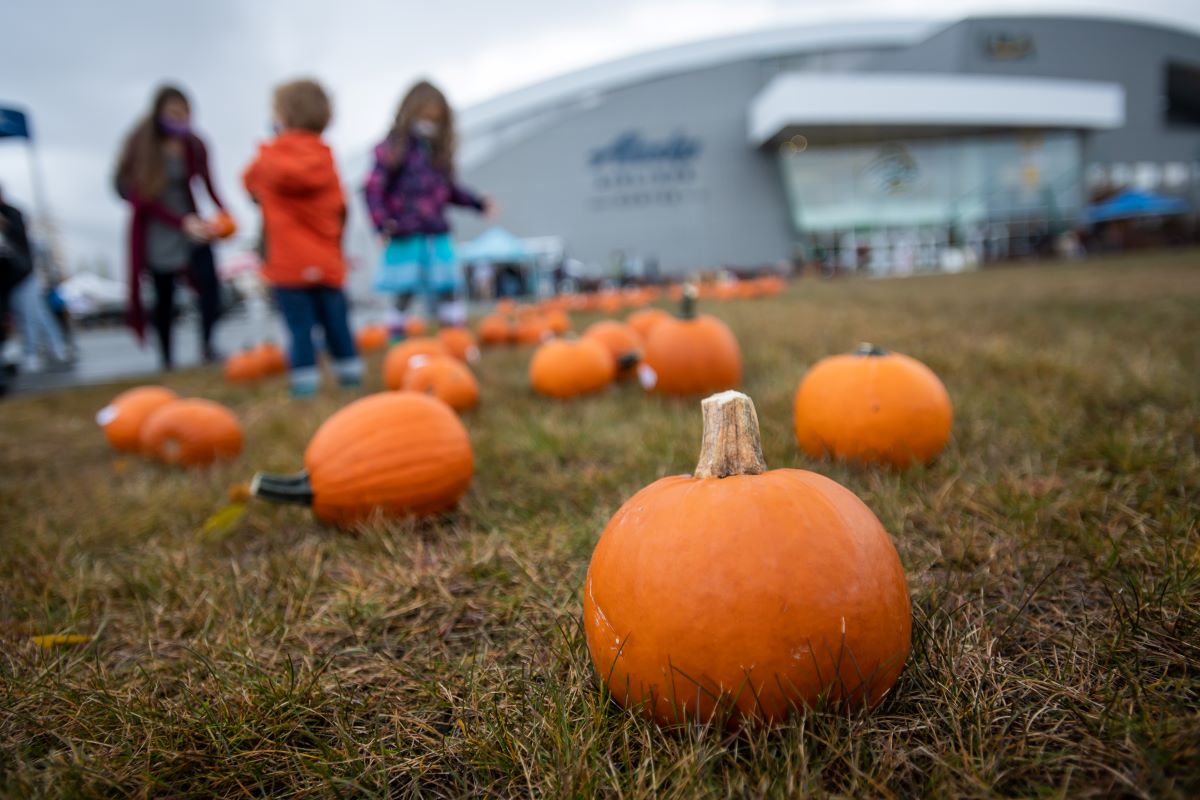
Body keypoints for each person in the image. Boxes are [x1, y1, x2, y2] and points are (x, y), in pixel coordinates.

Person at [243, 78, 360, 397]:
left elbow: (248, 183)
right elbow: (341, 206)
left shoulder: (268, 158)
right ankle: (350, 374)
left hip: (288, 262)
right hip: (325, 259)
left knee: (299, 328)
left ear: (282, 116)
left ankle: (305, 384)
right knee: (337, 322)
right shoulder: (325, 158)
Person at [364, 80, 493, 340]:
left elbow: (449, 190)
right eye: (424, 115)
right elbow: (373, 189)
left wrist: (478, 203)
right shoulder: (393, 149)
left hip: (435, 229)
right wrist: (381, 223)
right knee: (404, 289)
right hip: (404, 229)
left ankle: (455, 336)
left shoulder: (436, 152)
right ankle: (397, 337)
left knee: (448, 285)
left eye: (435, 117)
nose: (429, 122)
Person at [114, 84, 228, 370]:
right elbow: (136, 194)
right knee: (164, 294)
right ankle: (166, 357)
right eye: (173, 113)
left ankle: (207, 344)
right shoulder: (140, 143)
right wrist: (180, 222)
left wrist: (224, 214)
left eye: (184, 113)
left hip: (191, 221)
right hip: (158, 225)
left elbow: (208, 184)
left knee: (208, 282)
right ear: (159, 113)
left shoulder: (194, 144)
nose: (180, 119)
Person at [0, 185, 71, 373]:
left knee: (31, 315)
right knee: (37, 314)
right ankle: (57, 346)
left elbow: (18, 242)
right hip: (10, 279)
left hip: (24, 275)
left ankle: (33, 353)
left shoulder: (12, 214)